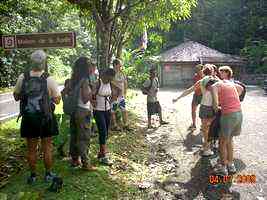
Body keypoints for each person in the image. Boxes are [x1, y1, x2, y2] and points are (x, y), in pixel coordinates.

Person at [13, 50, 61, 184]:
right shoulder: (49, 79)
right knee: (47, 147)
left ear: (31, 62)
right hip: (46, 118)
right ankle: (48, 174)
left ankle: (33, 176)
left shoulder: (23, 77)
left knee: (31, 149)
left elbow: (16, 97)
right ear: (44, 63)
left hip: (29, 117)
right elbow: (57, 100)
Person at [173, 64, 218, 156]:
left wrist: (178, 97)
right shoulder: (218, 81)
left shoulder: (201, 81)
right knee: (212, 127)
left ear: (203, 72)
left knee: (205, 129)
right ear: (213, 72)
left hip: (205, 106)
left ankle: (206, 148)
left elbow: (189, 90)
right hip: (214, 106)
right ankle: (211, 145)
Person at [212, 66, 243, 175]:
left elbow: (215, 106)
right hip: (239, 113)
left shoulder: (215, 86)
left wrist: (220, 106)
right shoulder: (230, 83)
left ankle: (223, 167)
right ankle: (231, 164)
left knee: (222, 142)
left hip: (228, 115)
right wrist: (233, 99)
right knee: (229, 140)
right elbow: (241, 88)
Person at [68, 57, 96, 171]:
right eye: (89, 65)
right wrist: (93, 90)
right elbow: (85, 99)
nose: (91, 67)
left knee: (74, 136)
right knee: (84, 137)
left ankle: (75, 160)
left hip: (74, 110)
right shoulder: (85, 80)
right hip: (83, 111)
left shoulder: (73, 79)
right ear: (85, 67)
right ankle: (86, 163)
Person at [92, 68, 119, 165]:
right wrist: (93, 100)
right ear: (105, 75)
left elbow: (118, 90)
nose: (109, 80)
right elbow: (92, 93)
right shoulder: (98, 83)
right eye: (109, 78)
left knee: (106, 132)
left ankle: (101, 152)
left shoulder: (110, 83)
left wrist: (113, 99)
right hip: (98, 111)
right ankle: (103, 155)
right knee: (102, 131)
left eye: (111, 79)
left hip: (107, 110)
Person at [111, 59, 130, 131]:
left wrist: (125, 92)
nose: (121, 66)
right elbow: (110, 82)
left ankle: (126, 125)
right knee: (113, 110)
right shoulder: (112, 73)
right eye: (119, 64)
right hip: (114, 95)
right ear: (115, 65)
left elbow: (125, 83)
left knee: (124, 110)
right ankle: (114, 126)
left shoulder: (122, 73)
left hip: (121, 96)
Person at [188, 64, 203, 131]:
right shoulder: (195, 76)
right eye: (197, 69)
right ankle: (194, 124)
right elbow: (194, 86)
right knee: (193, 109)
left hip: (203, 96)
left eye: (199, 69)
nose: (197, 71)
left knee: (203, 111)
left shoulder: (205, 77)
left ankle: (203, 125)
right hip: (196, 95)